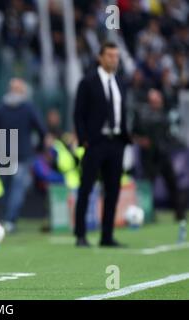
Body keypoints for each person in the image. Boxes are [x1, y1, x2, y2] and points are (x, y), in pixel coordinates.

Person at [73, 42, 131, 248]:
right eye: (109, 55)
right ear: (100, 57)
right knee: (86, 188)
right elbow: (78, 114)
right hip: (95, 142)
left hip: (116, 142)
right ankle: (80, 235)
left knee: (113, 190)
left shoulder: (120, 82)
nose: (113, 59)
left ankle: (107, 236)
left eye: (116, 56)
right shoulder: (88, 82)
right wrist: (84, 139)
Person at [0, 77, 46, 233]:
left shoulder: (0, 107)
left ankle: (6, 219)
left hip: (6, 155)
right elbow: (41, 130)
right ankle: (9, 220)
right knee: (15, 190)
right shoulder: (28, 108)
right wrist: (38, 149)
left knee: (8, 189)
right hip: (21, 155)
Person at [132, 89, 187, 242]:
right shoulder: (142, 114)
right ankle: (146, 215)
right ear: (150, 101)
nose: (158, 101)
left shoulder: (164, 115)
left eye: (159, 99)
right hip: (149, 155)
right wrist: (142, 141)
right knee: (147, 186)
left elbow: (168, 134)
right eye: (155, 99)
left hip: (162, 154)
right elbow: (134, 134)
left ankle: (179, 214)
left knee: (172, 183)